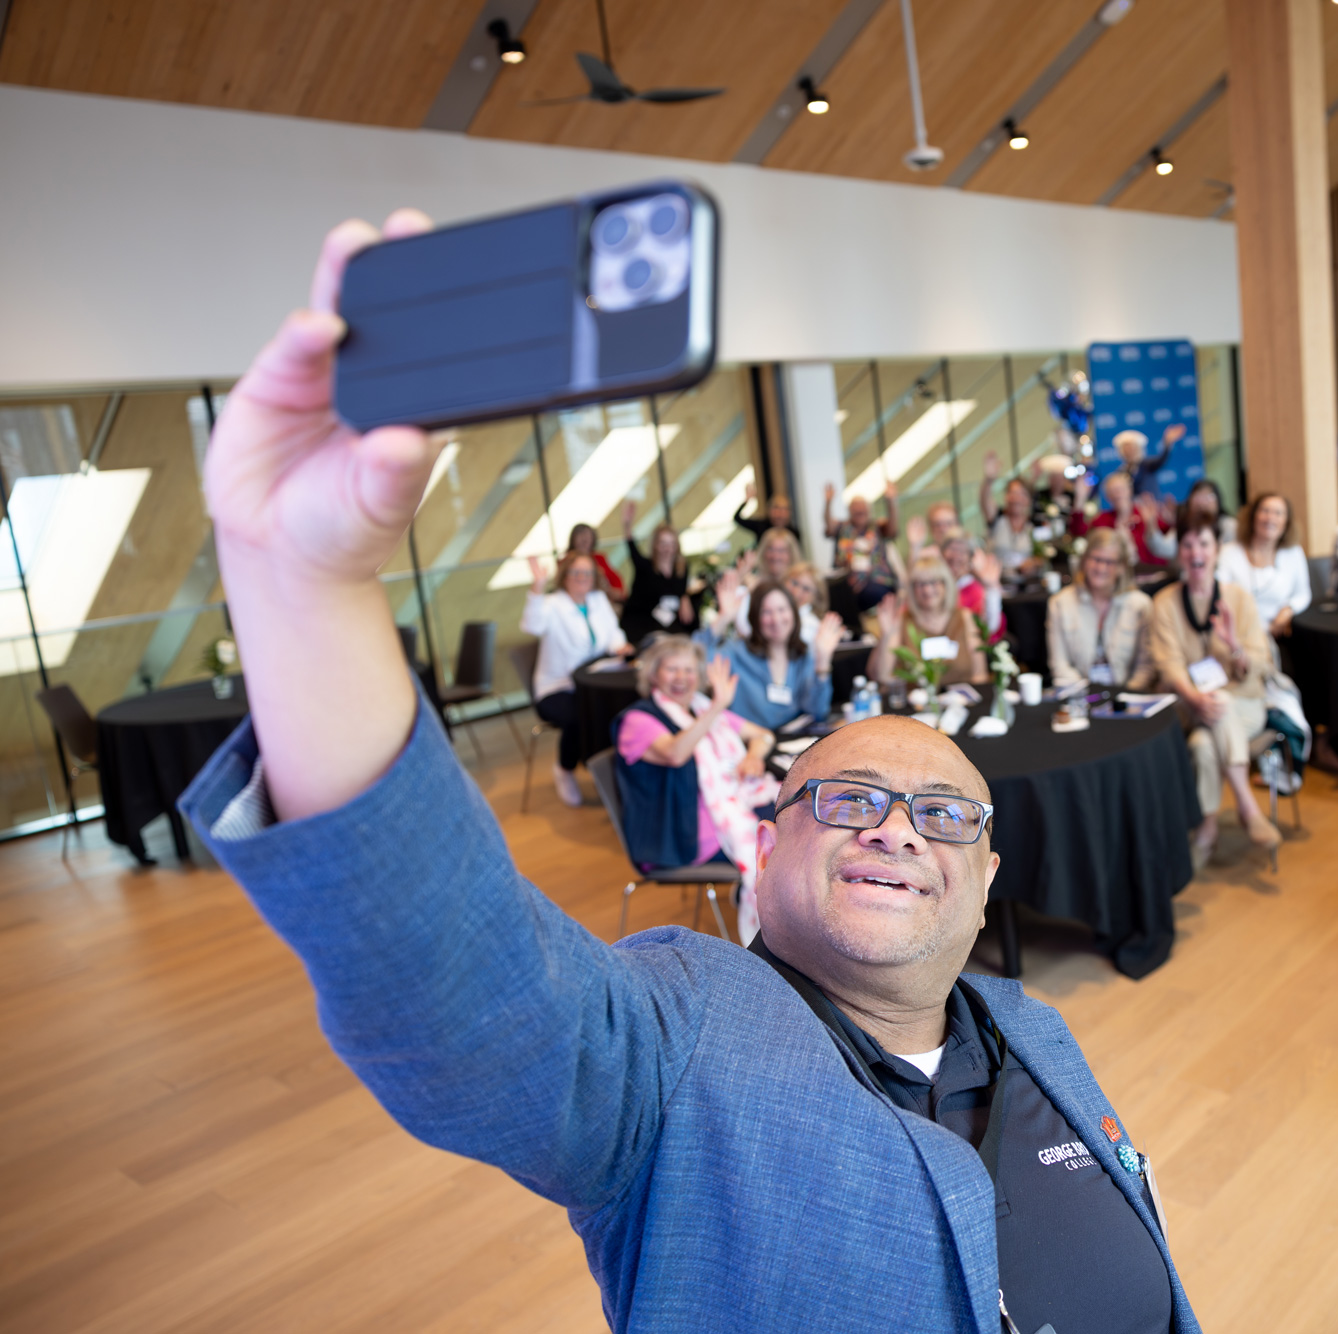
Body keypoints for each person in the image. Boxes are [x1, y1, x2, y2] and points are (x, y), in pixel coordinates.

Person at [183, 210, 1196, 1334]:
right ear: (766, 842)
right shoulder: (674, 1047)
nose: (896, 830)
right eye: (849, 799)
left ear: (988, 870)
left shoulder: (1036, 1031)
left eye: (940, 813)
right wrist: (299, 585)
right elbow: (465, 999)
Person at [614, 636, 778, 941]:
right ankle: (776, 939)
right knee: (778, 842)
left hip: (726, 812)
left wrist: (754, 755)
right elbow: (677, 753)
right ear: (653, 674)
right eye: (671, 669)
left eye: (689, 670)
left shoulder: (700, 709)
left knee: (793, 816)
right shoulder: (639, 719)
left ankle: (779, 920)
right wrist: (716, 707)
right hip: (679, 835)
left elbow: (763, 735)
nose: (682, 678)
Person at [1150, 521, 1280, 866]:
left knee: (1204, 744)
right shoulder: (1165, 602)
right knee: (1207, 725)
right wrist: (1195, 699)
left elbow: (1260, 665)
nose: (1197, 553)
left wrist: (1235, 644)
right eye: (1189, 545)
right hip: (1192, 707)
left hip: (1246, 704)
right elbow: (1169, 664)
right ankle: (1247, 806)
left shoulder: (1239, 598)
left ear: (1217, 551)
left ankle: (1208, 829)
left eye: (1204, 544)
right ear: (1180, 553)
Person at [522, 551, 631, 806]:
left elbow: (614, 633)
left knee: (620, 710)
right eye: (576, 573)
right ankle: (565, 769)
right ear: (565, 576)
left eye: (587, 573)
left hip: (597, 683)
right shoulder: (551, 604)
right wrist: (537, 587)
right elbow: (532, 626)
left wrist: (620, 646)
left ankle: (606, 770)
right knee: (580, 716)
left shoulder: (598, 600)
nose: (582, 578)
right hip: (558, 688)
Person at [706, 580, 842, 730]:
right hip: (751, 746)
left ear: (794, 613)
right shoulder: (735, 653)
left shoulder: (803, 655)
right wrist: (722, 619)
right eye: (766, 612)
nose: (776, 620)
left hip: (793, 745)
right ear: (754, 617)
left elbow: (817, 712)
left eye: (782, 609)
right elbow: (694, 662)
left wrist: (822, 662)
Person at [1047, 528, 1155, 690]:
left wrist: (1124, 698)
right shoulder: (1060, 603)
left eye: (1110, 562)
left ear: (1121, 568)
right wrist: (1083, 697)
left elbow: (1146, 667)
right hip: (1078, 696)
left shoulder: (1140, 605)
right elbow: (1060, 666)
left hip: (1126, 698)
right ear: (1084, 561)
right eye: (1096, 559)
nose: (1101, 568)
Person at [870, 555, 990, 689]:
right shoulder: (901, 620)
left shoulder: (965, 617)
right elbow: (882, 676)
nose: (927, 590)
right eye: (920, 584)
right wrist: (886, 636)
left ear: (945, 584)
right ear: (912, 589)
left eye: (933, 582)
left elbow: (980, 674)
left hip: (962, 704)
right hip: (918, 705)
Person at [1217, 493, 1311, 641]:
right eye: (1265, 511)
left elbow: (1303, 594)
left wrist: (1288, 610)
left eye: (1278, 513)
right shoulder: (1230, 552)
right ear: (1253, 516)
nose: (1270, 518)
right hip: (1238, 634)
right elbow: (1220, 592)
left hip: (1279, 634)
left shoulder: (1293, 552)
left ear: (1286, 522)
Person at [619, 500, 694, 645]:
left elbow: (680, 591)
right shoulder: (645, 566)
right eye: (663, 543)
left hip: (667, 623)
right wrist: (627, 525)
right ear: (656, 545)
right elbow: (632, 548)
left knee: (685, 640)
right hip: (641, 622)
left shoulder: (682, 568)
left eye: (671, 544)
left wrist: (684, 598)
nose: (667, 549)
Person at [1075, 468, 1174, 567]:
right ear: (1107, 497)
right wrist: (1080, 499)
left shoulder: (1145, 513)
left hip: (1153, 572)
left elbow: (1168, 540)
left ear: (1129, 490)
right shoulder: (1103, 521)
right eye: (1113, 491)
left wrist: (1166, 521)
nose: (1118, 494)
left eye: (1121, 489)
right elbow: (1079, 531)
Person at [978, 454, 1040, 575]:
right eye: (1012, 493)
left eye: (1022, 494)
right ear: (1006, 497)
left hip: (1026, 583)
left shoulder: (1034, 524)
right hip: (997, 580)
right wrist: (989, 480)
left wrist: (1034, 563)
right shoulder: (997, 517)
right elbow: (984, 500)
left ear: (1028, 499)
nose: (1016, 498)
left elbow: (1042, 555)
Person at [940, 531, 1006, 638]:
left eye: (961, 551)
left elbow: (990, 626)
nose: (956, 555)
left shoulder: (976, 589)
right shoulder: (934, 585)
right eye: (952, 549)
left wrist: (991, 588)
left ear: (970, 558)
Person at [822, 478, 899, 568]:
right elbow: (829, 525)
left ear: (869, 511)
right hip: (845, 578)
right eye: (856, 512)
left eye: (862, 511)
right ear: (850, 511)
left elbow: (892, 529)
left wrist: (891, 501)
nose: (859, 512)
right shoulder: (842, 527)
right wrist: (828, 503)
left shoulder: (877, 526)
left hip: (876, 577)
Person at [566, 522, 625, 600]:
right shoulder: (566, 562)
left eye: (587, 535)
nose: (584, 539)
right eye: (580, 534)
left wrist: (605, 588)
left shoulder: (599, 559)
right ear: (573, 539)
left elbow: (619, 589)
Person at [1181, 477, 1236, 546]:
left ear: (1218, 502)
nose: (1203, 503)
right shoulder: (1183, 525)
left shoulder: (1229, 525)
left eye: (1208, 497)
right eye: (1198, 497)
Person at [733, 491, 800, 543]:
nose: (780, 513)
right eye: (776, 508)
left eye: (784, 509)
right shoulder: (761, 526)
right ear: (770, 510)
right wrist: (747, 499)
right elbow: (737, 518)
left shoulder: (793, 533)